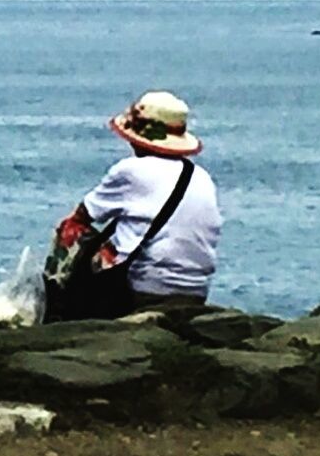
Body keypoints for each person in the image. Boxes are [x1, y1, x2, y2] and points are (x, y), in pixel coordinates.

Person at [43, 90, 222, 319]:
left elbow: (83, 215)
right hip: (195, 291)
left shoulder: (131, 170)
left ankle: (55, 314)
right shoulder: (201, 176)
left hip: (145, 289)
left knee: (69, 230)